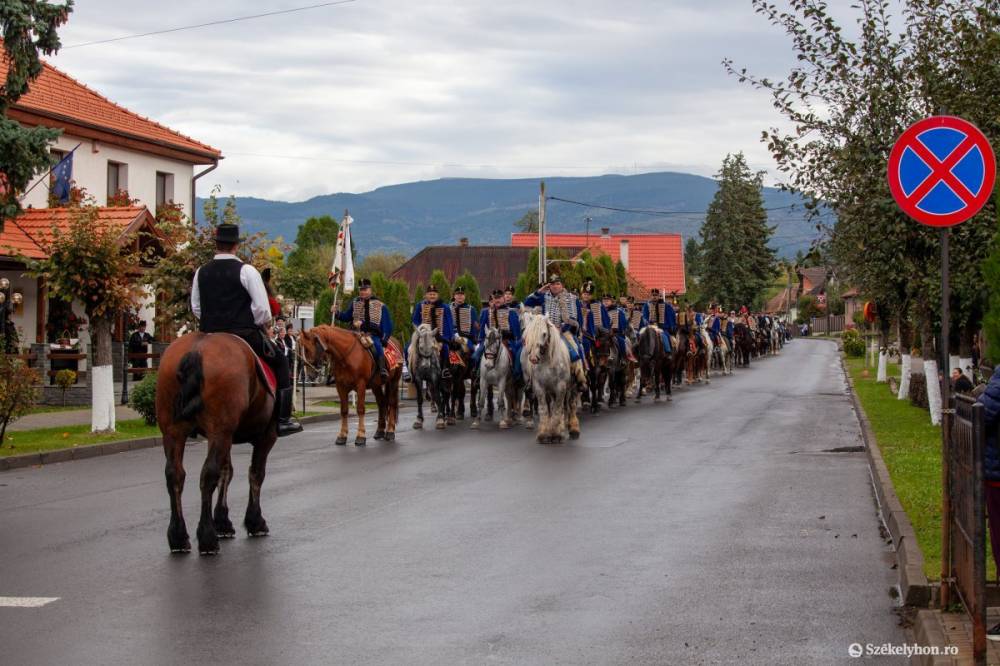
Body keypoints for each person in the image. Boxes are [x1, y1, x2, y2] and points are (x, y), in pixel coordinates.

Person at [190, 223, 302, 437]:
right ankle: (283, 419)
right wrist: (255, 322)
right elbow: (262, 309)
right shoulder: (247, 271)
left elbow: (196, 307)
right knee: (279, 360)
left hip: (209, 334)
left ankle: (190, 418)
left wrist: (212, 322)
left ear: (217, 245)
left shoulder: (200, 272)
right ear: (235, 246)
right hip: (243, 333)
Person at [523, 275, 587, 388]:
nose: (555, 286)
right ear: (549, 286)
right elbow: (527, 302)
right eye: (552, 284)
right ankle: (530, 380)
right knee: (530, 350)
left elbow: (575, 319)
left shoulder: (571, 298)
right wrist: (539, 291)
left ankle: (580, 378)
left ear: (562, 285)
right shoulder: (544, 296)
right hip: (545, 332)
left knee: (575, 350)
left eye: (557, 284)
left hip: (564, 332)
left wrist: (562, 328)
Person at [336, 277, 393, 379]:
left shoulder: (380, 305)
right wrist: (336, 313)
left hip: (372, 334)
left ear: (370, 290)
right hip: (355, 333)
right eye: (361, 290)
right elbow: (346, 316)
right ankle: (336, 372)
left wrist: (384, 339)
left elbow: (387, 325)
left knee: (377, 346)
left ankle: (382, 369)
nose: (362, 292)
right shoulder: (355, 302)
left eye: (365, 290)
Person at [412, 284, 455, 379]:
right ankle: (411, 371)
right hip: (423, 336)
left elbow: (449, 324)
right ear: (426, 295)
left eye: (434, 294)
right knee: (409, 348)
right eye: (430, 294)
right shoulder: (420, 305)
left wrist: (446, 339)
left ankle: (445, 370)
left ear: (437, 295)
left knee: (446, 349)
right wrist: (420, 330)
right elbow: (415, 320)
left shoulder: (445, 307)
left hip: (439, 337)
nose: (432, 296)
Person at [642, 288, 674, 354]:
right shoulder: (646, 305)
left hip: (662, 328)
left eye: (656, 295)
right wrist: (647, 323)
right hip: (649, 327)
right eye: (653, 295)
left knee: (664, 336)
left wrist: (670, 327)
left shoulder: (666, 306)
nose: (654, 297)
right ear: (650, 296)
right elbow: (645, 317)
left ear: (658, 296)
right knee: (640, 335)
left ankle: (668, 352)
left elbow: (670, 317)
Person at [450, 286, 479, 355]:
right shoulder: (448, 308)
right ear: (454, 296)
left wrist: (474, 340)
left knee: (473, 353)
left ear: (464, 296)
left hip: (467, 337)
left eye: (462, 294)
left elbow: (475, 326)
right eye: (458, 294)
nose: (460, 296)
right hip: (452, 337)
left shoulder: (471, 309)